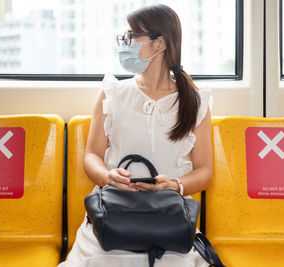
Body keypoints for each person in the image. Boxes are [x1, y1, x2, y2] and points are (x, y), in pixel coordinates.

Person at [59, 4, 213, 267]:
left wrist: (175, 185)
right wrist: (107, 176)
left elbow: (205, 171)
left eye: (132, 37)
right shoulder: (113, 93)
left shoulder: (195, 102)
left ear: (160, 45)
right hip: (113, 215)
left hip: (170, 219)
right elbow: (92, 156)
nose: (125, 43)